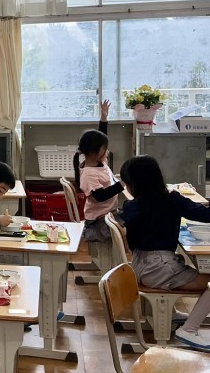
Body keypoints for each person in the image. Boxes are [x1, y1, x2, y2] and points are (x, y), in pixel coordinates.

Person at [120, 154, 210, 351]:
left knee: (179, 262)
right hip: (160, 268)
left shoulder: (130, 206)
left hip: (139, 266)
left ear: (135, 184)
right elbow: (204, 214)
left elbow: (132, 243)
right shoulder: (171, 200)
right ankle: (189, 329)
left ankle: (172, 312)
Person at [73, 100, 124, 242]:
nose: (107, 151)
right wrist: (121, 184)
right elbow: (99, 196)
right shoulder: (89, 174)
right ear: (93, 152)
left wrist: (104, 117)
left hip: (108, 214)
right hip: (98, 222)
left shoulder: (98, 161)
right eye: (104, 149)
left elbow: (102, 136)